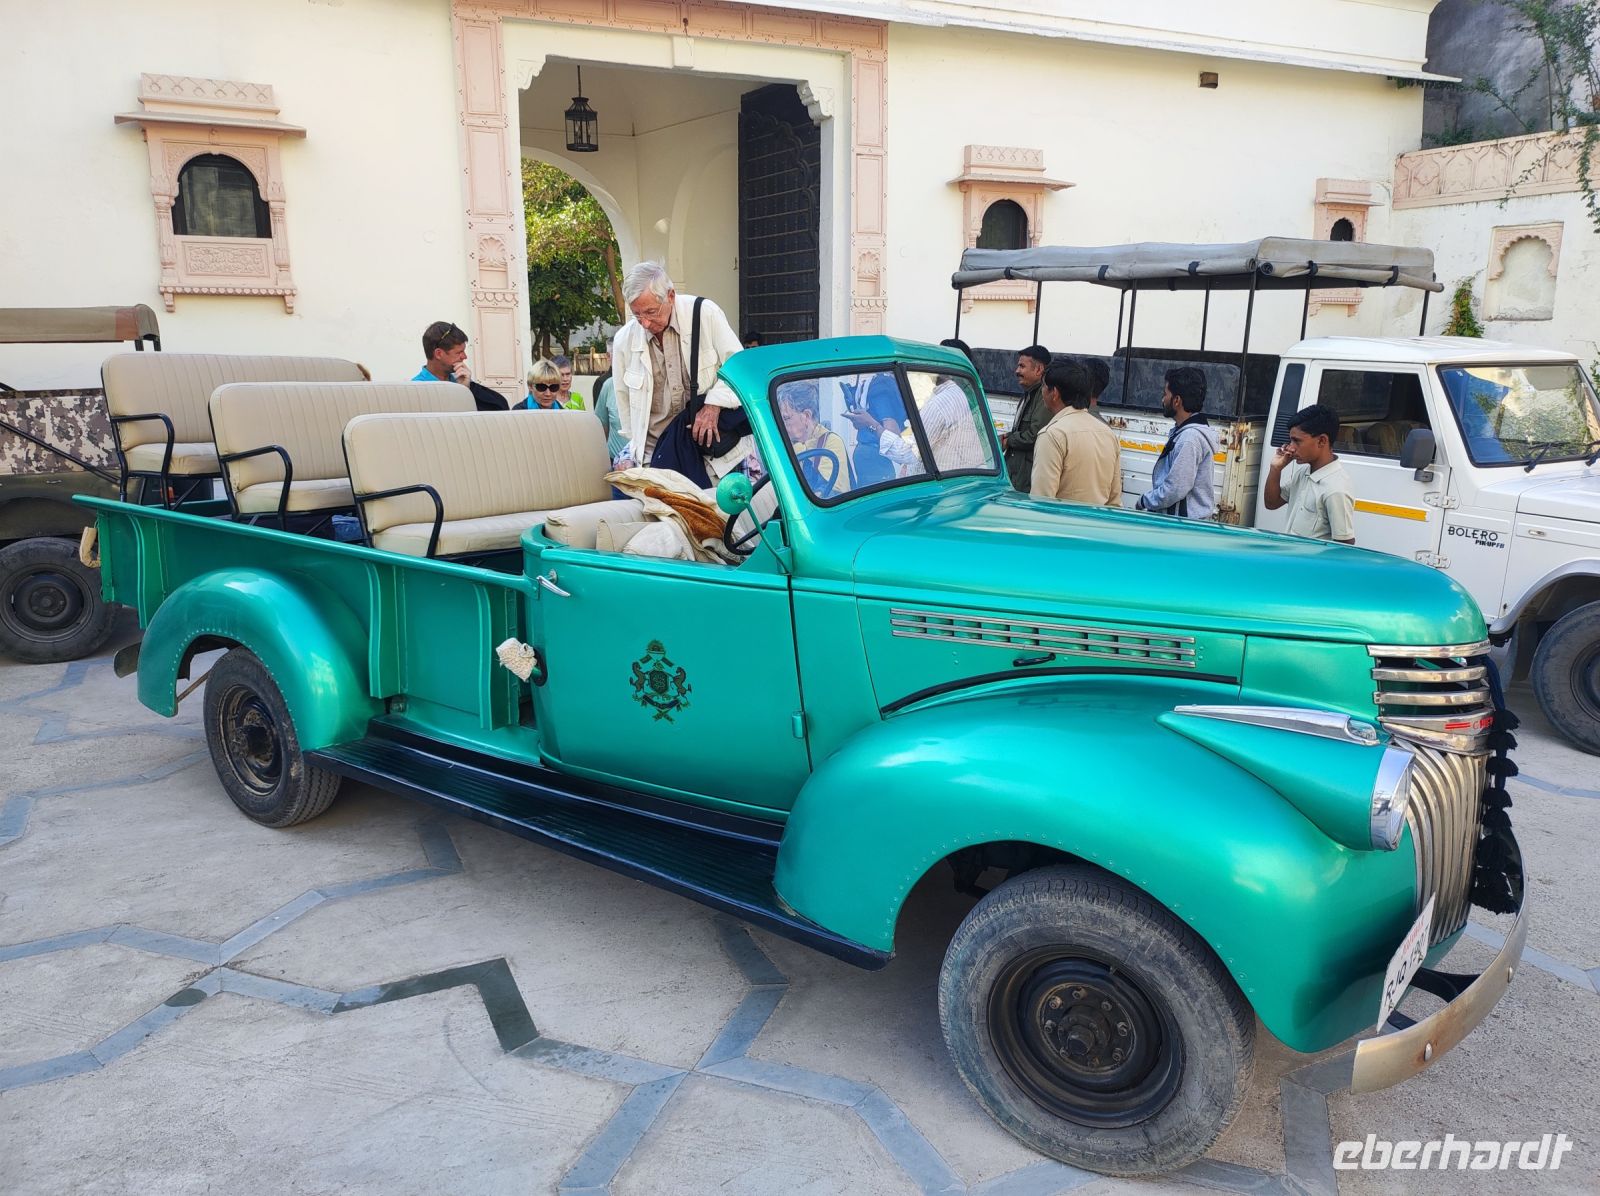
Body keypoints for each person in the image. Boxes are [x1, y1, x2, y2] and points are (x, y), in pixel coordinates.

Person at [611, 261, 746, 483]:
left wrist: (713, 405)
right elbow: (625, 405)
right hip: (656, 458)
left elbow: (739, 366)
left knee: (719, 517)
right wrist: (634, 451)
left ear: (671, 296)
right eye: (637, 315)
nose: (644, 322)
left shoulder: (705, 314)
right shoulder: (623, 340)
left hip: (711, 455)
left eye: (651, 312)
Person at [846, 339, 988, 473]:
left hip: (936, 483)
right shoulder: (959, 394)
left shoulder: (939, 403)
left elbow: (906, 452)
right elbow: (925, 434)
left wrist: (871, 424)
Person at [1029, 359, 1123, 507]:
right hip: (1094, 527)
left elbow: (1042, 501)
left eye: (1043, 386)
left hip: (1061, 527)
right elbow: (1115, 502)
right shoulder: (1108, 434)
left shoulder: (1052, 435)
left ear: (1054, 393)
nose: (1042, 392)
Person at [1263, 403, 1356, 544]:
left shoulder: (1335, 489)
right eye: (1290, 440)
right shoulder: (1304, 473)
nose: (1290, 448)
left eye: (1297, 441)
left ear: (1322, 441)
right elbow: (1271, 503)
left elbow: (1345, 544)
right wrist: (1276, 469)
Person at [1136, 366, 1218, 519]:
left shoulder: (1189, 438)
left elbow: (1175, 489)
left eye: (1165, 394)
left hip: (1183, 525)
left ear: (1177, 400)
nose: (1162, 399)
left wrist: (1144, 501)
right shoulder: (1185, 433)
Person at [413, 320, 508, 411]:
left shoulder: (459, 379)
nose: (465, 357)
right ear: (438, 354)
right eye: (459, 352)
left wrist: (468, 389)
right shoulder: (417, 389)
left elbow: (501, 406)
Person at [778, 381, 848, 495]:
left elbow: (829, 492)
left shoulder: (831, 442)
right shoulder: (790, 444)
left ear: (806, 416)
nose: (782, 424)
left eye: (786, 418)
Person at [1002, 344, 1052, 490]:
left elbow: (1035, 435)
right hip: (1016, 476)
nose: (1017, 371)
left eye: (1022, 366)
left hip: (1027, 482)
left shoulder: (1044, 397)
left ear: (1038, 369)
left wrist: (1008, 440)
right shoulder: (1029, 394)